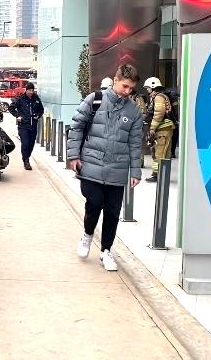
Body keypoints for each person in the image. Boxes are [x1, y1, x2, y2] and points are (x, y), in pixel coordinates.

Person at [67, 64, 143, 272]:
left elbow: (136, 143)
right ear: (115, 80)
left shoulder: (134, 111)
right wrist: (73, 155)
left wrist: (135, 171)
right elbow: (76, 127)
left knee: (112, 211)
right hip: (91, 163)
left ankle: (106, 251)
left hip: (117, 170)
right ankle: (87, 235)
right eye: (125, 86)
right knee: (95, 203)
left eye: (131, 88)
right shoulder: (95, 100)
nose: (127, 91)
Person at [143, 77, 175, 183]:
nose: (147, 91)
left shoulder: (159, 97)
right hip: (162, 130)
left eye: (148, 88)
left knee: (160, 154)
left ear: (153, 87)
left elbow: (159, 113)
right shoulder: (158, 97)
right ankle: (159, 175)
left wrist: (152, 128)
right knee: (160, 153)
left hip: (163, 130)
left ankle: (158, 176)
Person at [8, 82, 44, 170]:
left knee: (31, 144)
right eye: (29, 90)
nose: (31, 92)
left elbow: (41, 109)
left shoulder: (36, 98)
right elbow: (11, 108)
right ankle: (26, 161)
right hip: (23, 126)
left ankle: (26, 157)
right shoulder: (21, 98)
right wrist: (18, 116)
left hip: (33, 125)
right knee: (25, 143)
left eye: (32, 90)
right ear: (26, 90)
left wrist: (38, 115)